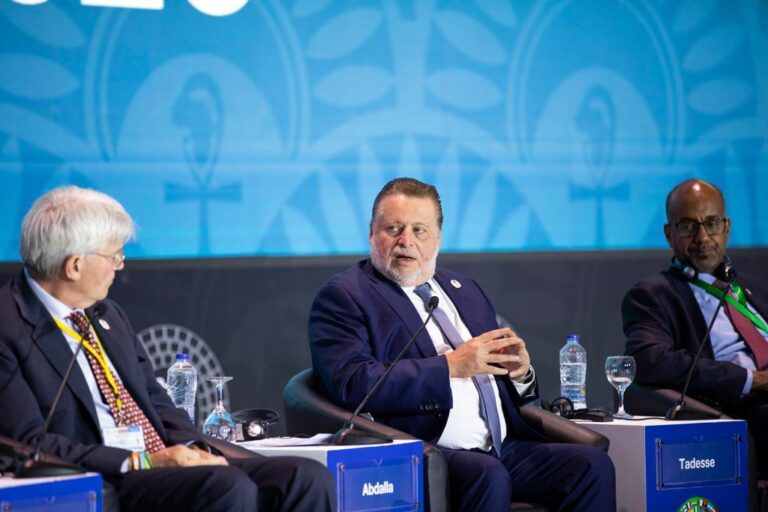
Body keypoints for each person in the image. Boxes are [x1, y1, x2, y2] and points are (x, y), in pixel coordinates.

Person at [0, 186, 335, 512]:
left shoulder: (106, 314)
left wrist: (193, 447)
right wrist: (139, 461)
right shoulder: (8, 325)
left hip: (162, 459)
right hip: (104, 473)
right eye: (114, 256)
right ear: (74, 265)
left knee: (304, 477)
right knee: (224, 485)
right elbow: (30, 441)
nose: (120, 266)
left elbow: (155, 399)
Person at [309, 177, 616, 511]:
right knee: (488, 474)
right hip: (426, 450)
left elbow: (508, 386)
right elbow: (352, 383)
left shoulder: (464, 289)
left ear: (438, 238)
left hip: (501, 447)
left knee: (591, 467)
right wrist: (450, 366)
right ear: (372, 233)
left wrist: (520, 374)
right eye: (393, 228)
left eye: (419, 230)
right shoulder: (346, 296)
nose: (405, 241)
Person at [623, 178, 768, 475]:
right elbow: (649, 359)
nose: (703, 237)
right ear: (669, 233)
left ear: (726, 227)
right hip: (741, 406)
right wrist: (750, 379)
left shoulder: (752, 289)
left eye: (712, 223)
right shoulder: (653, 295)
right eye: (689, 226)